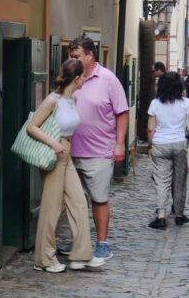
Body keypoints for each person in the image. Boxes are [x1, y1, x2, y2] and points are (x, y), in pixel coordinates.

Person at [65, 36, 128, 265]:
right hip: (71, 151)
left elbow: (122, 112)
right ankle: (79, 241)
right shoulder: (72, 78)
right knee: (75, 200)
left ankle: (102, 244)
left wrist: (120, 143)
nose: (73, 60)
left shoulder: (108, 79)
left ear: (90, 56)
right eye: (71, 56)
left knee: (98, 199)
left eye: (76, 56)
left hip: (100, 152)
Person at [29, 59, 96, 272]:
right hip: (54, 153)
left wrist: (64, 147)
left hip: (66, 155)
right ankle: (44, 260)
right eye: (83, 76)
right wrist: (54, 144)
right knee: (52, 208)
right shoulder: (52, 100)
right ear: (77, 78)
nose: (85, 79)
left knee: (79, 201)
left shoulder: (73, 99)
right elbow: (32, 127)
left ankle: (82, 255)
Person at [147, 71, 189, 229]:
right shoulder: (186, 103)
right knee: (180, 180)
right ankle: (179, 215)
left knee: (162, 181)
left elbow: (150, 128)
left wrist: (150, 146)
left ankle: (161, 216)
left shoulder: (155, 103)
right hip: (181, 143)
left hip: (161, 144)